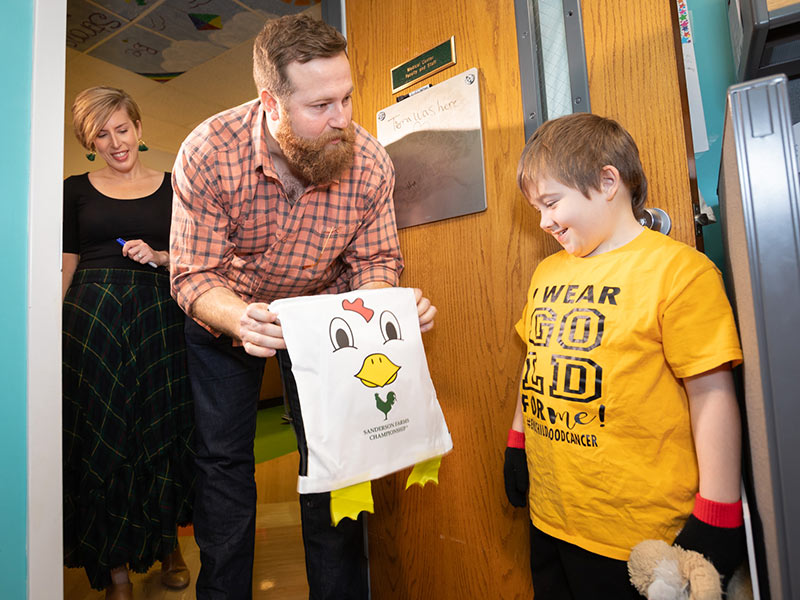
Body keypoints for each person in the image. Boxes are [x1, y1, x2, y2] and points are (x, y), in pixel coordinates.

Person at [169, 13, 437, 600]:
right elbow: (194, 277)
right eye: (321, 106)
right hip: (227, 317)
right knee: (223, 464)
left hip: (321, 319)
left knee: (334, 457)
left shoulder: (368, 162)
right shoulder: (208, 151)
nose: (342, 119)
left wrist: (388, 312)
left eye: (346, 97)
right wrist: (238, 317)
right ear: (272, 101)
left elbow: (373, 266)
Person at [502, 113, 746, 598]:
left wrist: (718, 514)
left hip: (637, 541)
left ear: (607, 181)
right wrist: (517, 441)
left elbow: (712, 395)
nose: (544, 221)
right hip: (551, 518)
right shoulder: (548, 273)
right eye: (536, 208)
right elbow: (536, 363)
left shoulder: (679, 272)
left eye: (552, 203)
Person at [63, 86, 195, 600]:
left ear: (138, 129)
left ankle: (169, 548)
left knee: (161, 431)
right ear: (87, 140)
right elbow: (66, 263)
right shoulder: (73, 189)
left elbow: (193, 256)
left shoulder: (174, 186)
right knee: (103, 438)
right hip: (91, 322)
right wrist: (45, 327)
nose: (115, 141)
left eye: (122, 128)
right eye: (101, 133)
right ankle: (115, 570)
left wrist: (160, 256)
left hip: (158, 317)